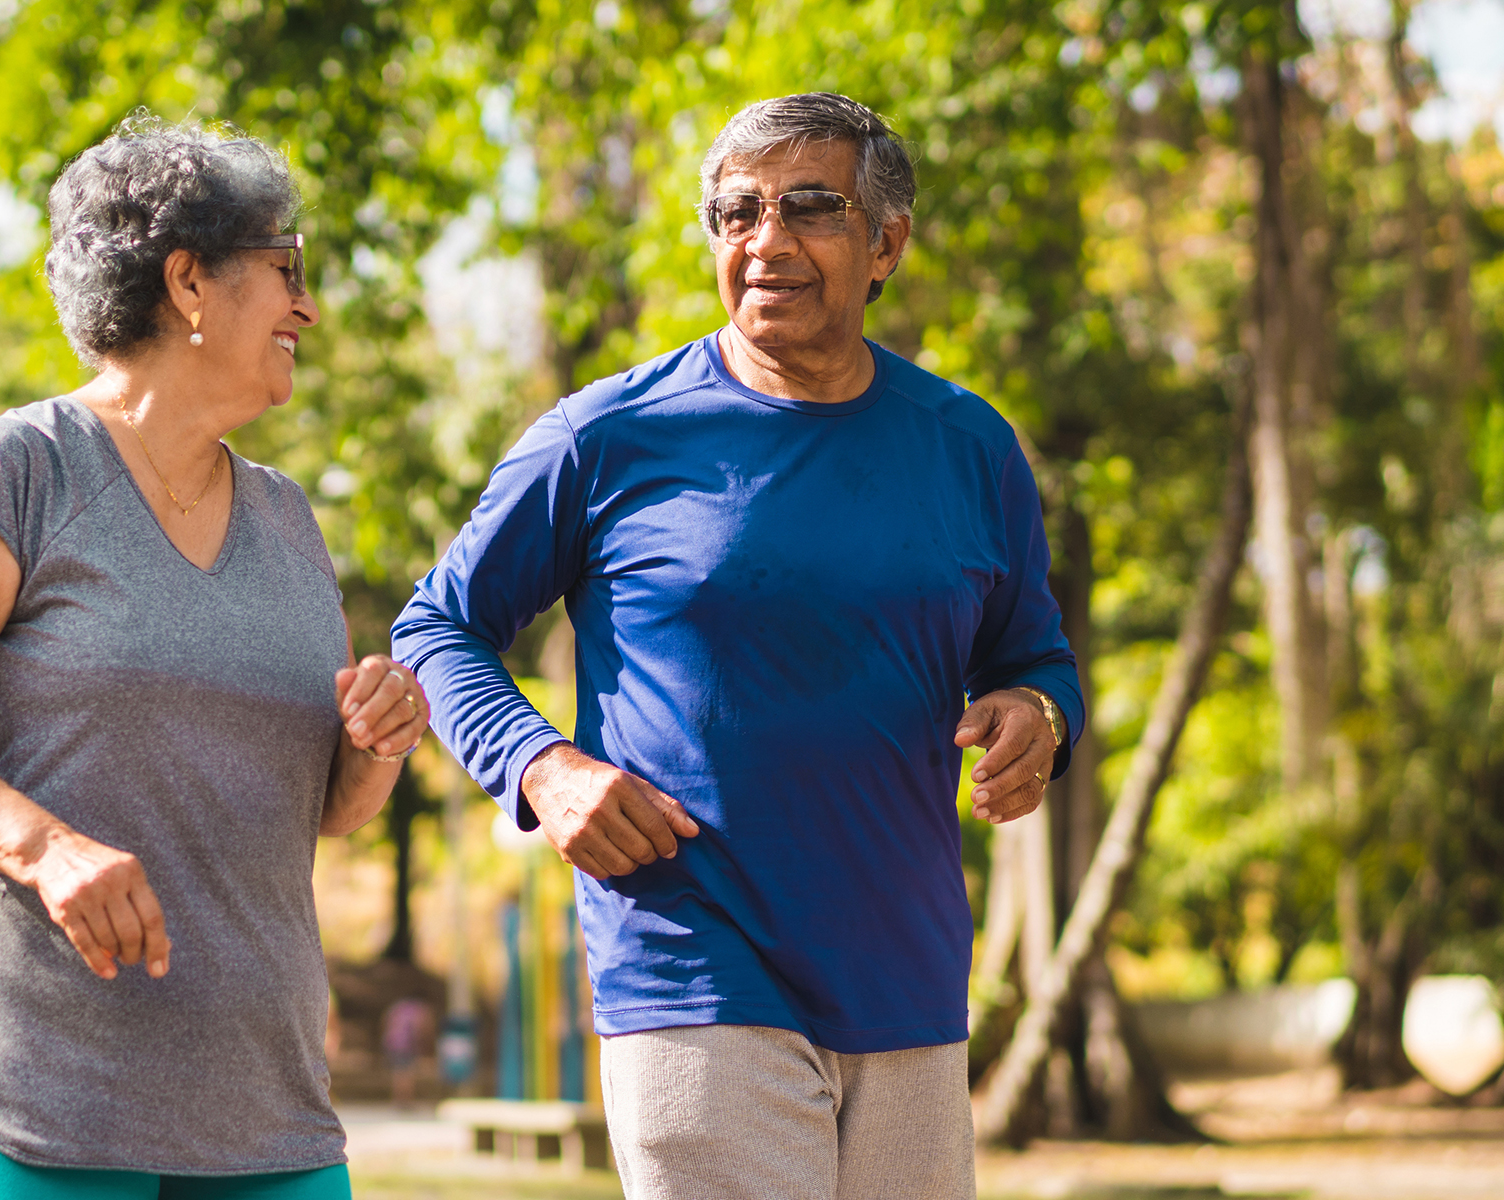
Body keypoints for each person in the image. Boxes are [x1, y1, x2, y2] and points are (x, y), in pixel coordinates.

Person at [390, 92, 1081, 1200]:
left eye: (810, 207)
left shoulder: (968, 447)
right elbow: (438, 624)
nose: (765, 241)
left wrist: (1036, 716)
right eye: (734, 212)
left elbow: (1030, 655)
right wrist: (541, 765)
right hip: (690, 958)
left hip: (906, 976)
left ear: (886, 243)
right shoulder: (605, 437)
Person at [0, 115, 430, 1200]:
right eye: (285, 270)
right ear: (189, 281)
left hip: (265, 1099)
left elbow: (326, 809)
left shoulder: (289, 521)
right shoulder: (15, 471)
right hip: (44, 1086)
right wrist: (49, 849)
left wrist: (378, 741)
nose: (309, 306)